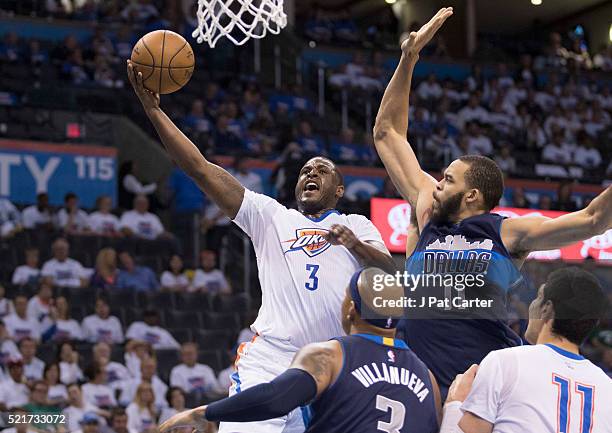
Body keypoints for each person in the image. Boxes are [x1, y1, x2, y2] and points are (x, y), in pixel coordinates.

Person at [128, 55, 394, 433]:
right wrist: (155, 112)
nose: (310, 173)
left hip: (333, 363)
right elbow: (201, 169)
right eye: (305, 171)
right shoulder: (271, 216)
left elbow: (389, 276)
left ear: (339, 189)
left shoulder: (357, 224)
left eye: (321, 170)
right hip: (273, 357)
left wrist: (356, 246)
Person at [373, 7, 612, 399]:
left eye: (447, 179)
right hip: (418, 383)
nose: (436, 185)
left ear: (472, 196)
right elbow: (387, 134)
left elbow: (592, 220)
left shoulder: (507, 230)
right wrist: (408, 58)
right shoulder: (428, 212)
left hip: (485, 388)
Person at [159, 267, 440, 433]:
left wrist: (205, 413)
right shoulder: (428, 378)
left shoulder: (330, 355)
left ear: (351, 308)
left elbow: (273, 399)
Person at [445, 268, 612, 433]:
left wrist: (454, 405)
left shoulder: (505, 363)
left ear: (546, 309)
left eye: (538, 296)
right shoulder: (608, 388)